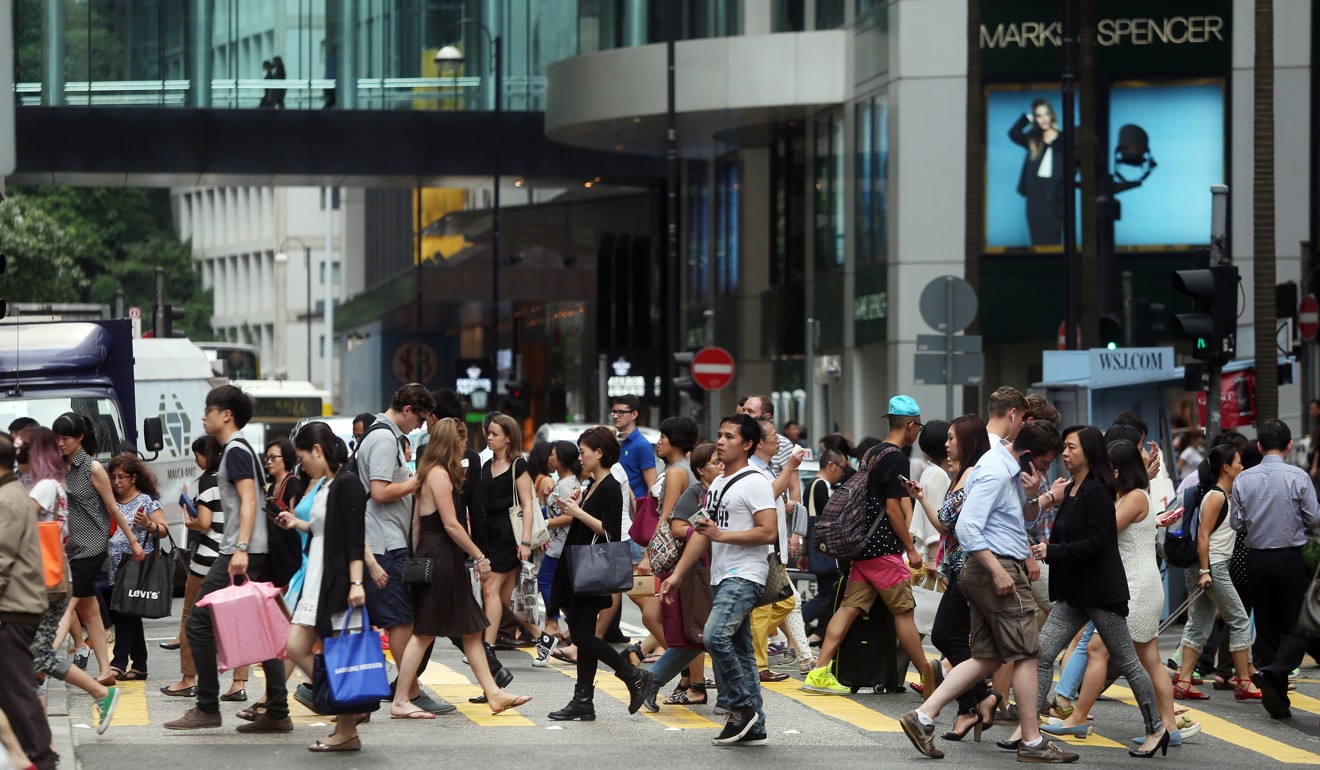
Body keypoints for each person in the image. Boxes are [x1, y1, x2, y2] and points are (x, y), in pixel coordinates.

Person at [901, 420, 1074, 763]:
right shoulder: (996, 471)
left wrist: (1035, 497)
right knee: (1026, 652)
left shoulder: (1005, 468)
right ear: (1027, 454)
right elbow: (967, 526)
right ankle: (1033, 741)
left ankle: (923, 716)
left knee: (988, 657)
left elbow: (1016, 519)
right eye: (1041, 464)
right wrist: (997, 571)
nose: (1044, 469)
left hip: (987, 570)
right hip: (995, 569)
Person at [1029, 426, 1166, 758]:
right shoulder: (1075, 490)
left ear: (1088, 453)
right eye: (1063, 447)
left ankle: (1157, 728)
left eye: (1071, 447)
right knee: (1043, 654)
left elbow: (1096, 542)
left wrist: (1053, 551)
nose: (1064, 453)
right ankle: (1029, 730)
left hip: (1102, 592)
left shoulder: (1097, 493)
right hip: (1077, 593)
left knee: (1129, 661)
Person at [165, 385, 290, 732]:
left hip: (240, 551)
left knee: (198, 622)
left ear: (226, 415)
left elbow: (249, 501)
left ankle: (207, 706)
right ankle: (278, 711)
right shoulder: (240, 449)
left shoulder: (235, 450)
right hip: (247, 549)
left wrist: (241, 548)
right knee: (260, 626)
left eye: (208, 409)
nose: (203, 416)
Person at [389, 418, 533, 719]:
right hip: (442, 555)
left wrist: (417, 559)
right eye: (461, 439)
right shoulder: (439, 475)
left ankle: (493, 693)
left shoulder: (428, 473)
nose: (465, 445)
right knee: (425, 631)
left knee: (470, 629)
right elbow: (452, 524)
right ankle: (401, 699)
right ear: (450, 442)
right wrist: (480, 557)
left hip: (439, 554)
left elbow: (416, 524)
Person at [803, 396, 934, 697]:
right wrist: (910, 549)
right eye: (918, 426)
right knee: (904, 612)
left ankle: (819, 672)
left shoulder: (873, 452)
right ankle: (929, 679)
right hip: (882, 550)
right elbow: (891, 509)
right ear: (911, 425)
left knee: (849, 608)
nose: (917, 432)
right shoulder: (897, 458)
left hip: (862, 547)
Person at [661, 414, 778, 745]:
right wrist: (679, 574)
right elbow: (702, 533)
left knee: (714, 637)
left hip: (745, 575)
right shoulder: (719, 485)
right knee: (740, 650)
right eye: (720, 435)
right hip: (722, 575)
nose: (721, 441)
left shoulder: (754, 482)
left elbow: (767, 532)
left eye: (729, 436)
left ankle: (743, 707)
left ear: (747, 444)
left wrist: (721, 535)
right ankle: (754, 725)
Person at [355, 384, 455, 715]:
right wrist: (417, 482)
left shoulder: (381, 434)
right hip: (384, 543)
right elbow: (380, 492)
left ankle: (407, 689)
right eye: (422, 418)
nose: (422, 426)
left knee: (396, 618)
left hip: (386, 540)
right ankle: (408, 691)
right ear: (408, 409)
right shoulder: (384, 439)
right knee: (400, 620)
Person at [16, 427, 120, 734]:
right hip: (47, 577)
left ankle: (97, 693)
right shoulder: (49, 483)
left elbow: (16, 519)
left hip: (46, 580)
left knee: (37, 654)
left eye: (22, 448)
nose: (17, 453)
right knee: (35, 653)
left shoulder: (46, 486)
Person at [547, 426, 653, 721]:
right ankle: (583, 701)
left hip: (590, 570)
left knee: (582, 635)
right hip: (580, 567)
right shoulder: (594, 484)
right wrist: (578, 504)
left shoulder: (610, 486)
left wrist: (577, 512)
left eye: (583, 452)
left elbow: (609, 531)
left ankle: (631, 674)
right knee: (581, 634)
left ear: (599, 453)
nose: (580, 457)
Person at [277, 422, 372, 751]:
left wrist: (357, 582)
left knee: (333, 656)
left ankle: (346, 727)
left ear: (318, 451)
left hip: (336, 583)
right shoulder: (328, 485)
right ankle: (345, 707)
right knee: (296, 647)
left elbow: (353, 539)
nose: (302, 465)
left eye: (303, 457)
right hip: (315, 581)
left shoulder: (347, 486)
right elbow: (322, 530)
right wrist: (296, 522)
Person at [906, 415, 995, 740]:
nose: (947, 444)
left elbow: (964, 526)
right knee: (946, 637)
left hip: (973, 568)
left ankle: (978, 699)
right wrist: (922, 498)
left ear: (968, 442)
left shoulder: (973, 475)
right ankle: (976, 702)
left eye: (953, 438)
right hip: (958, 570)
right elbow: (945, 525)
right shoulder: (956, 475)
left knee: (949, 637)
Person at [1231, 419, 1320, 719]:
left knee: (1266, 626)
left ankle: (1278, 697)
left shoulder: (1243, 479)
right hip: (1289, 559)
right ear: (1290, 444)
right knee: (1298, 626)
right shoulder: (1298, 476)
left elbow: (1236, 523)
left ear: (1258, 446)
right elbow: (1314, 518)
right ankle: (1275, 670)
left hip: (1256, 560)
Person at [51, 413, 142, 685]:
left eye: (66, 437)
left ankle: (39, 664)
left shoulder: (92, 468)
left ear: (79, 438)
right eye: (57, 437)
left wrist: (133, 541)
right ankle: (105, 671)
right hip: (70, 545)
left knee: (68, 603)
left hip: (92, 544)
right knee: (89, 610)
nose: (61, 442)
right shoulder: (59, 466)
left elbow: (113, 507)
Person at [162, 437, 248, 702]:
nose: (196, 461)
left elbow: (205, 522)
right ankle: (238, 684)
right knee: (236, 622)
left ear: (205, 456)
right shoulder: (236, 479)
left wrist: (190, 521)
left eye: (197, 455)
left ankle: (188, 679)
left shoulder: (208, 481)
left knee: (189, 617)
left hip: (207, 559)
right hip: (234, 558)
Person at [1173, 444, 1259, 700]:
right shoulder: (1217, 496)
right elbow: (1203, 536)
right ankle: (1243, 680)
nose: (1241, 467)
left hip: (1210, 566)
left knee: (1199, 623)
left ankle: (1185, 680)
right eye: (1238, 463)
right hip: (1213, 567)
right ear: (1226, 467)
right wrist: (1205, 571)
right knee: (1240, 620)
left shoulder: (1225, 495)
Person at [643, 442, 722, 711]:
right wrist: (709, 535)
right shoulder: (696, 493)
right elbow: (677, 527)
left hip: (725, 569)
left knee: (709, 637)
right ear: (700, 469)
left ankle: (649, 681)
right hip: (700, 571)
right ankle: (729, 698)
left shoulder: (727, 489)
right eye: (714, 461)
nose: (720, 465)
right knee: (708, 636)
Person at [0, 432, 59, 770]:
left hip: (15, 606)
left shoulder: (8, 499)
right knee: (15, 688)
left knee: (17, 690)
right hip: (20, 604)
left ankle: (39, 758)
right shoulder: (12, 493)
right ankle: (34, 757)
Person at [477, 413, 558, 657]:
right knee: (504, 598)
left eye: (495, 434)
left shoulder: (518, 466)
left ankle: (487, 649)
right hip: (489, 534)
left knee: (490, 588)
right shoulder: (486, 465)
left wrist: (524, 542)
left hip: (508, 535)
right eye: (489, 433)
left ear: (509, 438)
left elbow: (528, 505)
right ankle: (541, 637)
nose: (489, 438)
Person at [100, 454, 168, 684]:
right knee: (129, 612)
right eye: (113, 477)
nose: (117, 482)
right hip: (115, 566)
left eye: (122, 477)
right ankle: (139, 665)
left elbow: (163, 530)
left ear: (134, 477)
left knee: (125, 613)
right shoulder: (110, 501)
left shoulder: (147, 502)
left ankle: (118, 663)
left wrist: (147, 524)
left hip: (137, 566)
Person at [1008, 98, 1065, 246]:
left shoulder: (1065, 139)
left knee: (1053, 242)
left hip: (1056, 199)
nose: (1044, 119)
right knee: (1037, 242)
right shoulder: (1033, 139)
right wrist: (1028, 118)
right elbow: (1013, 133)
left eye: (1046, 114)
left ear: (1052, 115)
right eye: (1039, 115)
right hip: (1035, 200)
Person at [612, 394, 657, 568]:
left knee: (637, 587)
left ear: (634, 414)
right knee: (614, 581)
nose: (616, 416)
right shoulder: (616, 443)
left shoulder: (641, 445)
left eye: (621, 412)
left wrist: (644, 523)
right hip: (617, 518)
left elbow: (652, 488)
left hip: (634, 522)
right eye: (614, 412)